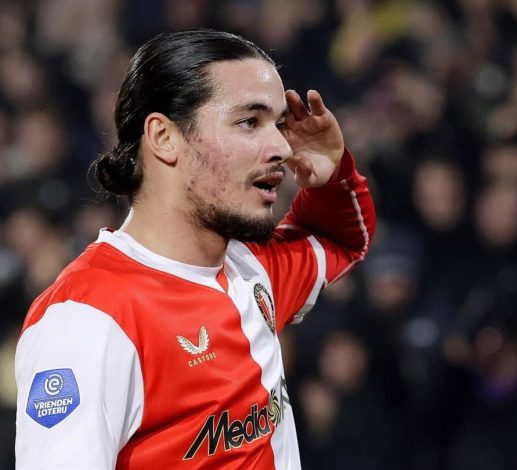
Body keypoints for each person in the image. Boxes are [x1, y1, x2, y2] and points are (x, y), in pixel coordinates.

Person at [14, 29, 375, 469]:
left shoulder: (250, 267)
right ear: (164, 137)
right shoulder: (87, 317)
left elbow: (341, 239)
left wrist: (332, 174)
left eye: (279, 124)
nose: (282, 147)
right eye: (249, 122)